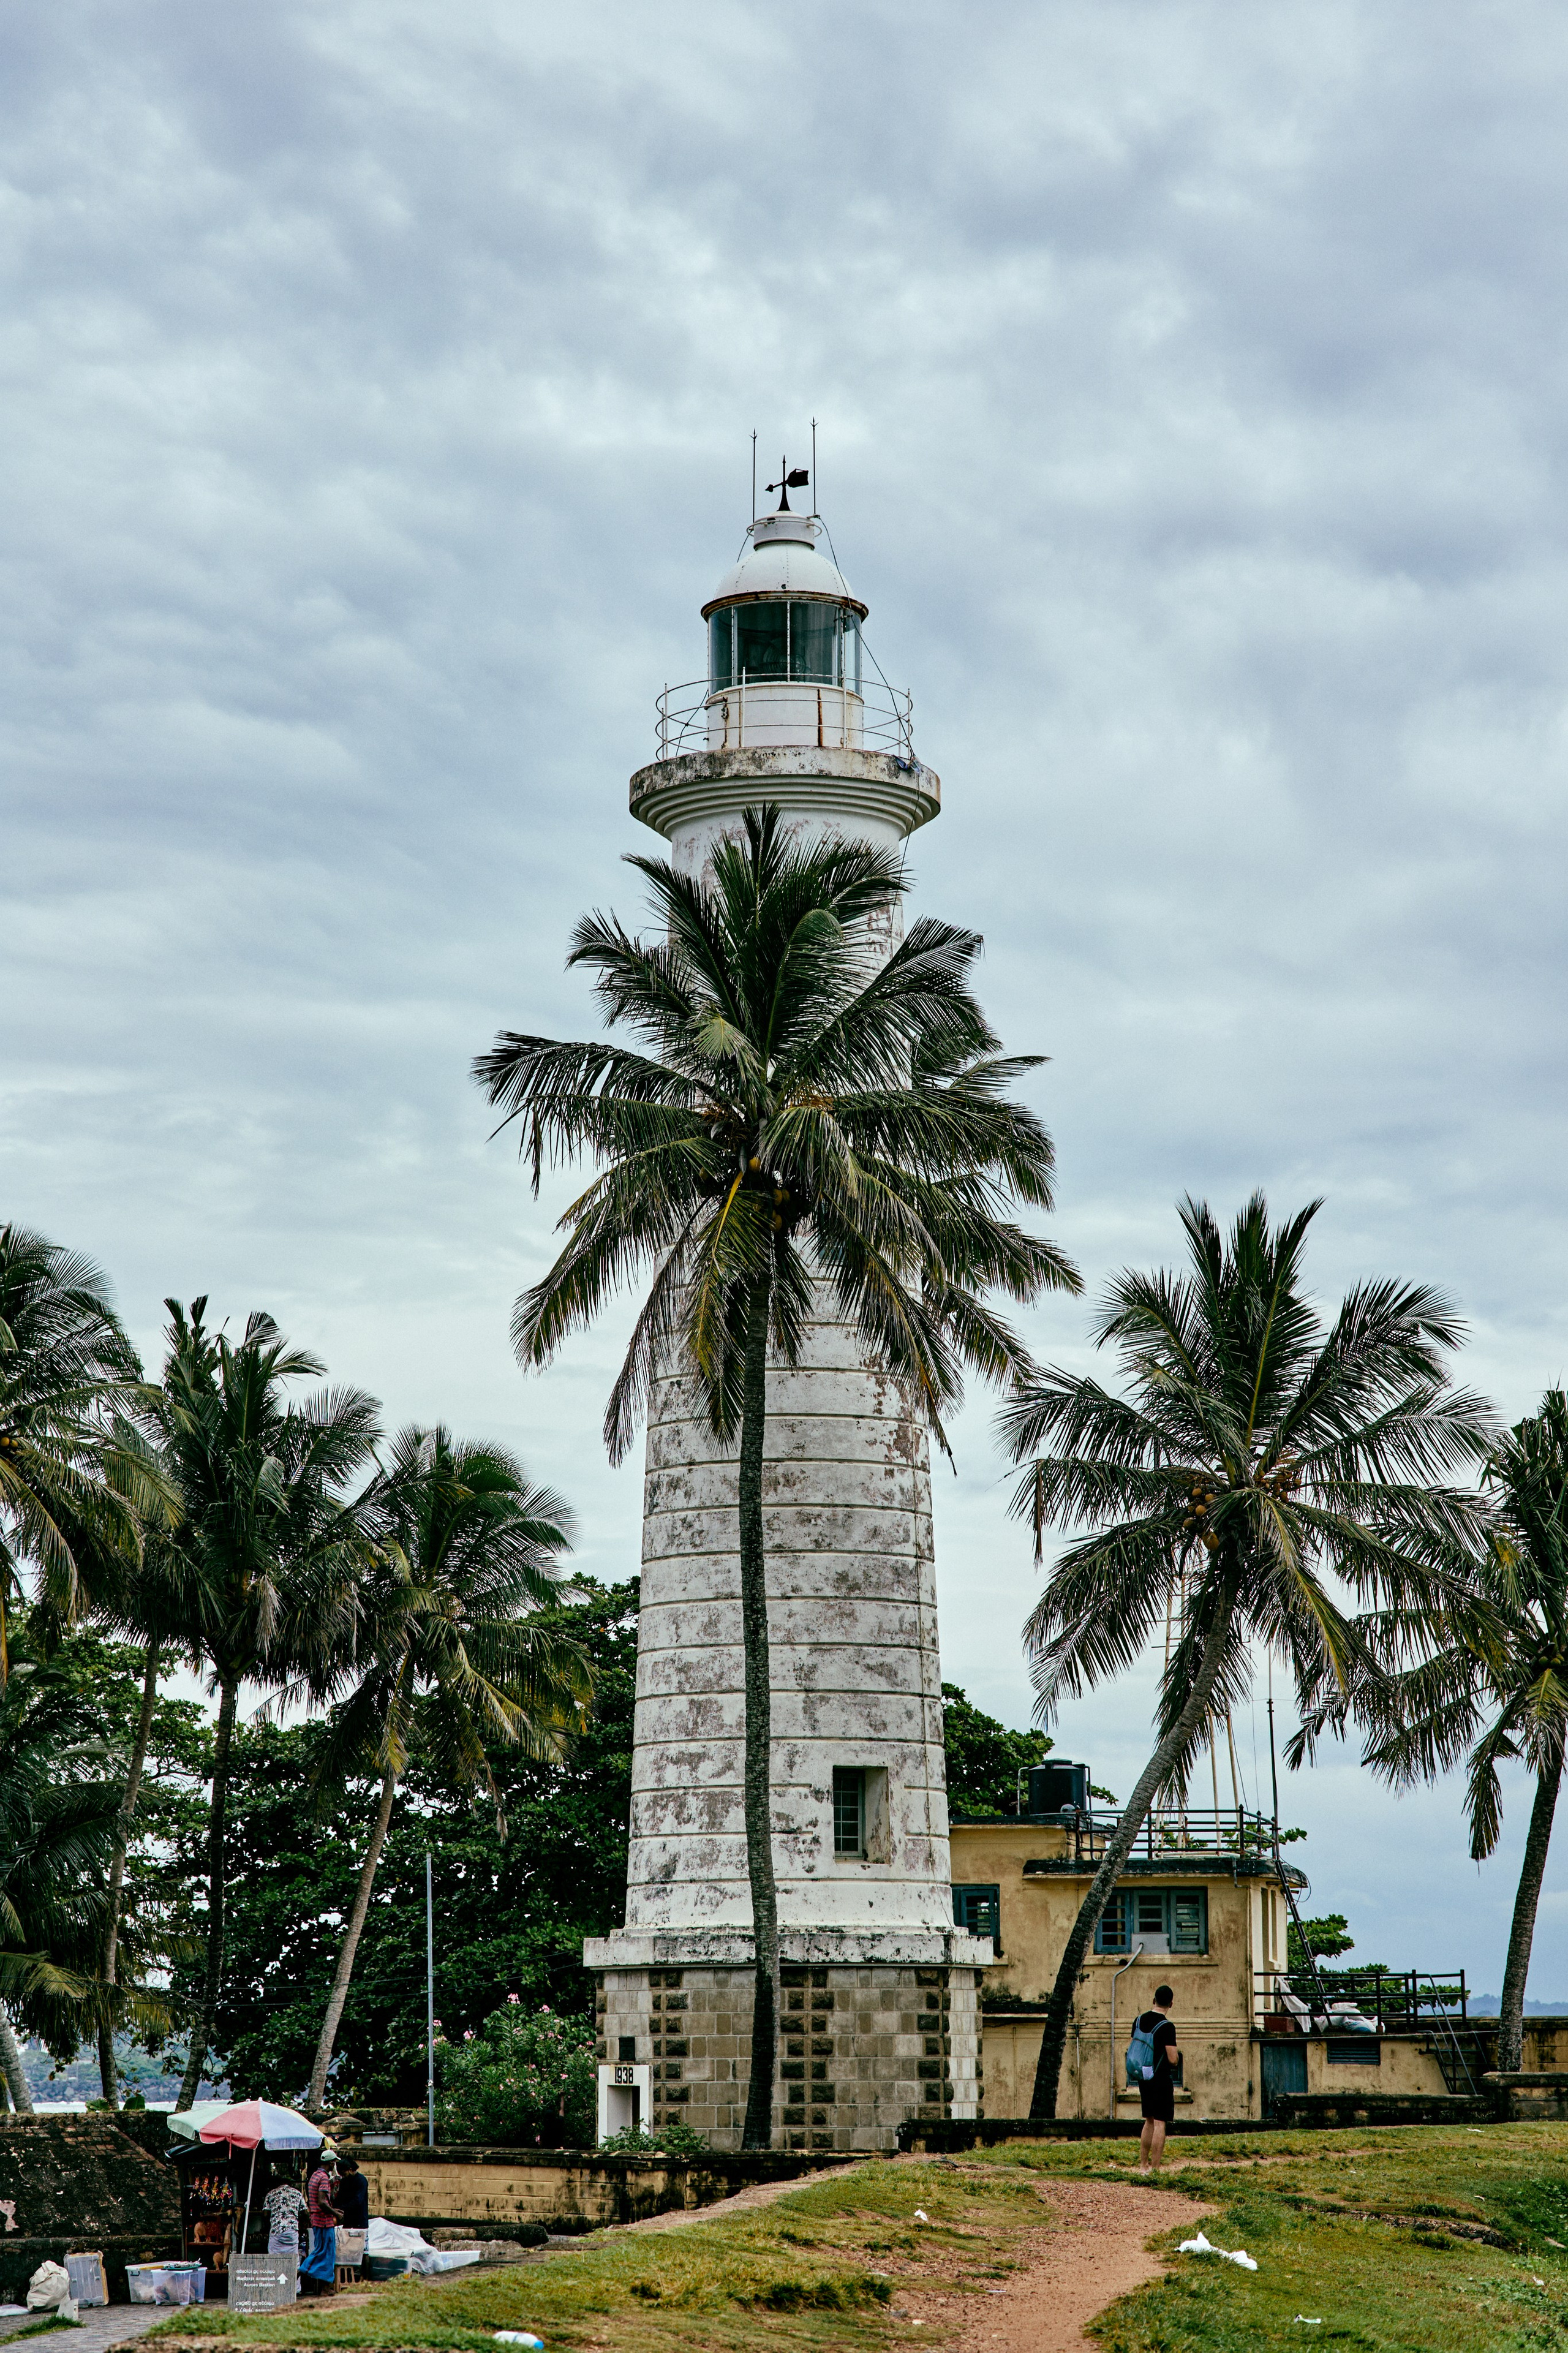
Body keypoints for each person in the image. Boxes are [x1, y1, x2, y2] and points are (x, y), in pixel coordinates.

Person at [1133, 1984, 1180, 2173]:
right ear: (1171, 2004)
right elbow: (1172, 2058)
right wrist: (1176, 2059)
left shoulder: (1138, 2020)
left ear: (1153, 2001)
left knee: (1149, 2120)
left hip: (1143, 2076)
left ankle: (1143, 2166)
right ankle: (1156, 2168)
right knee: (1160, 2122)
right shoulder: (1167, 2027)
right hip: (1160, 2078)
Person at [299, 2153, 340, 2296]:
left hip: (317, 2220)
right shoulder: (324, 2178)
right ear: (331, 2163)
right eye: (334, 2163)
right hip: (324, 2222)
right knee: (324, 2253)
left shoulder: (314, 2176)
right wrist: (336, 2214)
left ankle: (326, 2287)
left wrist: (334, 2211)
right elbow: (322, 2202)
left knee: (324, 2253)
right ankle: (299, 2273)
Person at [335, 2155, 369, 2277]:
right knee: (346, 2251)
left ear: (350, 2169)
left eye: (344, 2173)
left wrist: (342, 2208)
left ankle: (364, 2277)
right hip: (348, 2220)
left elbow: (358, 2201)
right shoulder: (344, 2181)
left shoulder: (362, 2181)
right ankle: (349, 2276)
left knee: (363, 2251)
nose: (343, 2176)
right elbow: (340, 2198)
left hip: (360, 2220)